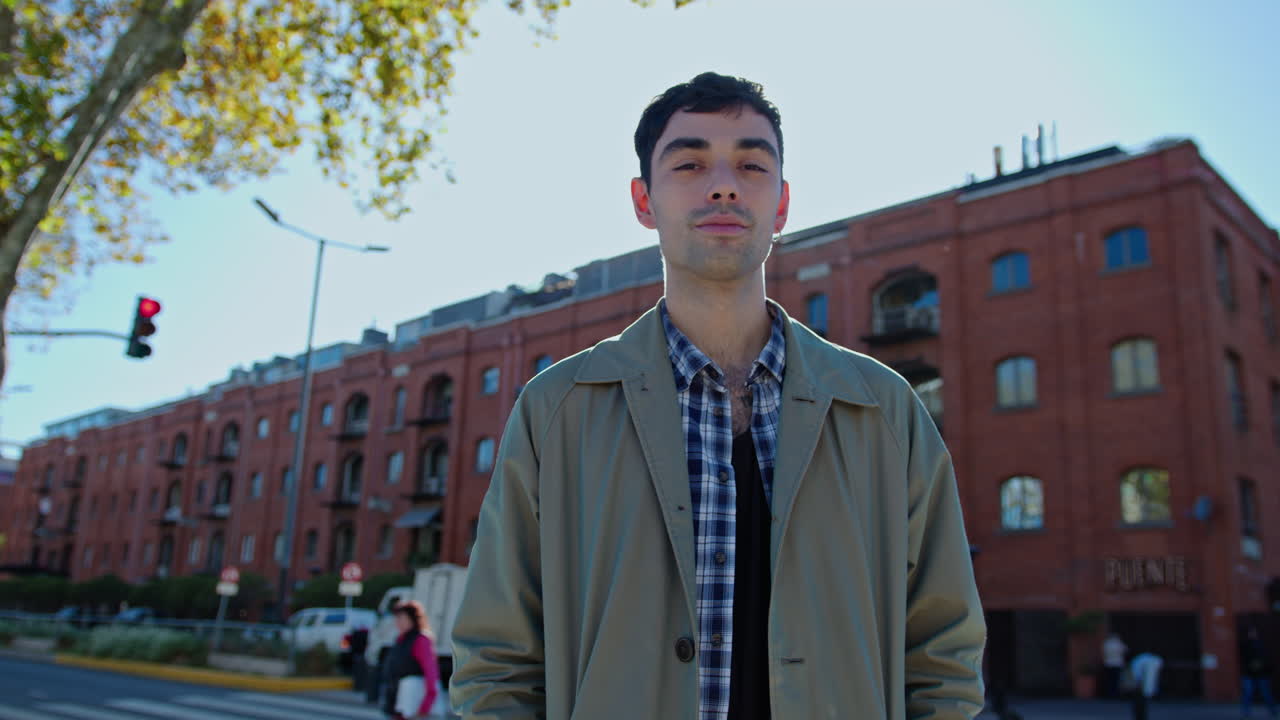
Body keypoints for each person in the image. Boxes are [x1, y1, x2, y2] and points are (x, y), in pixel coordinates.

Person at [449, 71, 986, 719]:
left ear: (782, 205)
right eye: (691, 162)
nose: (724, 183)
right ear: (643, 201)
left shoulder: (886, 410)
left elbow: (943, 651)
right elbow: (496, 658)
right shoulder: (556, 410)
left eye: (751, 164)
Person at [383, 601, 440, 720]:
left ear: (413, 619)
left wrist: (425, 707)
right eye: (396, 618)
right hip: (398, 704)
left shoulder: (421, 640)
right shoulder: (400, 639)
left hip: (413, 706)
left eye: (401, 618)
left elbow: (431, 674)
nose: (397, 622)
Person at [1240, 625, 1278, 719]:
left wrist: (1262, 665)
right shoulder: (1246, 644)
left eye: (1254, 632)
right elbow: (1244, 658)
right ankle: (1246, 712)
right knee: (1248, 693)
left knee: (1266, 693)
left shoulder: (1261, 644)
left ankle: (1272, 710)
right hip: (1249, 673)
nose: (1252, 634)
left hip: (1261, 673)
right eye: (1251, 632)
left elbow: (1266, 658)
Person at [1129, 651, 1163, 720]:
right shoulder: (1155, 660)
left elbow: (1135, 671)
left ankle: (1140, 716)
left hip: (1140, 683)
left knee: (1139, 702)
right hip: (1144, 684)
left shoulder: (1140, 659)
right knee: (1142, 702)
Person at [1103, 633, 1129, 698]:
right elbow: (1126, 650)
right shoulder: (1119, 644)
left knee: (1109, 680)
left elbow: (1103, 653)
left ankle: (1109, 694)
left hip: (1108, 663)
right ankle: (1115, 694)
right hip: (1118, 664)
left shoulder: (1106, 643)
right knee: (1116, 680)